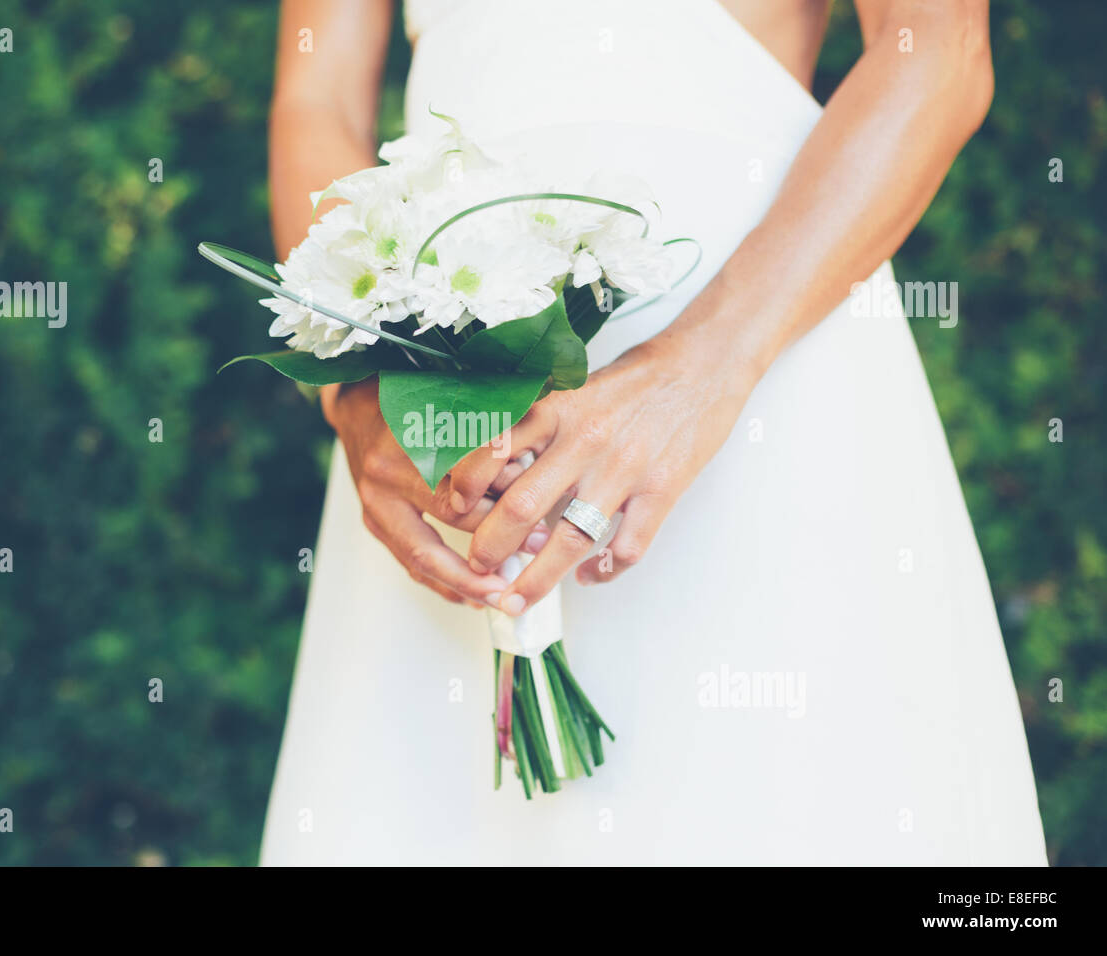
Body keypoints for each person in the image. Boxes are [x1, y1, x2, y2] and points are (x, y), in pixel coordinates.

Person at [260, 0, 1047, 865]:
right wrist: (362, 389)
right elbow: (318, 97)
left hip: (761, 357)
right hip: (441, 405)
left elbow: (937, 47)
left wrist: (699, 372)